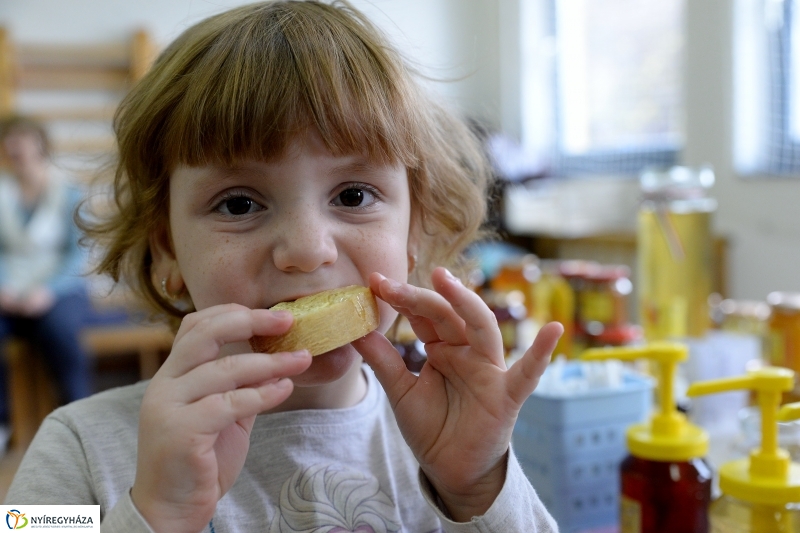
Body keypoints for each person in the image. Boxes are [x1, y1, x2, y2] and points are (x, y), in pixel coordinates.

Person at [5, 2, 564, 531]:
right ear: (168, 250)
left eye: (352, 195)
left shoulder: (455, 442)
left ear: (413, 234)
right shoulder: (75, 447)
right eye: (240, 204)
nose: (306, 249)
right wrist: (157, 513)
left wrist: (476, 489)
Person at [0, 115, 93, 430]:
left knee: (59, 330)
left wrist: (48, 291)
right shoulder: (2, 192)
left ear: (40, 144)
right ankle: (2, 424)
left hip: (62, 291)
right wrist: (4, 287)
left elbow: (78, 254)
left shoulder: (68, 191)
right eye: (9, 139)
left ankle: (76, 418)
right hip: (10, 293)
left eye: (22, 137)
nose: (16, 146)